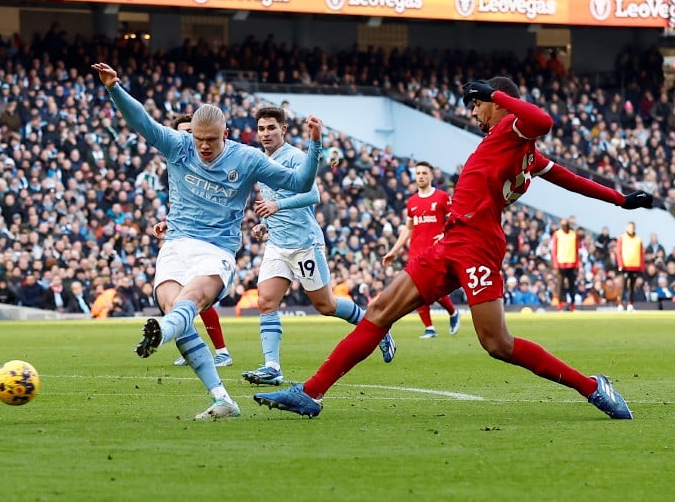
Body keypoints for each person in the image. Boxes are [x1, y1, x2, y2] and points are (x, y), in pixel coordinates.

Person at [254, 76, 653, 420]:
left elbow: (543, 121)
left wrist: (495, 95)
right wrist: (620, 199)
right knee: (379, 311)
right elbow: (571, 179)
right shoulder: (516, 146)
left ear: (498, 104)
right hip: (451, 241)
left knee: (497, 344)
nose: (474, 113)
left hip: (478, 246)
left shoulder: (515, 130)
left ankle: (592, 386)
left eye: (478, 105)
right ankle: (311, 392)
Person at [92, 61, 322, 420]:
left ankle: (162, 332)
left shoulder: (247, 158)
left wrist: (315, 146)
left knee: (190, 299)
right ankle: (222, 398)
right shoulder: (179, 145)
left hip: (216, 250)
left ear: (225, 133)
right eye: (198, 139)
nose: (203, 146)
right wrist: (114, 88)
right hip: (175, 244)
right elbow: (142, 123)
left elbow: (301, 183)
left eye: (211, 140)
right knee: (173, 307)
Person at [242, 106, 395, 387]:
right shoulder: (261, 161)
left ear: (283, 130)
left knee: (326, 305)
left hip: (304, 244)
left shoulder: (295, 157)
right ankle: (272, 367)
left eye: (271, 128)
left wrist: (277, 206)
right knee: (266, 301)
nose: (265, 133)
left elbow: (313, 195)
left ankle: (378, 328)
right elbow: (274, 201)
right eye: (261, 129)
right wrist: (266, 223)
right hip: (277, 244)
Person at [153, 114, 234, 369]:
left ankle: (221, 351)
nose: (187, 138)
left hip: (212, 241)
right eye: (182, 133)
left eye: (191, 132)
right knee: (179, 298)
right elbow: (185, 204)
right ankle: (195, 349)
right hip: (182, 238)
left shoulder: (214, 161)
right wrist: (168, 221)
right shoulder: (179, 159)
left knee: (197, 295)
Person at [382, 161, 460, 337]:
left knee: (433, 289)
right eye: (418, 173)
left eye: (424, 173)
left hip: (435, 252)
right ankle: (429, 327)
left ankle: (453, 312)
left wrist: (445, 234)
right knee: (416, 290)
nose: (421, 176)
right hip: (415, 253)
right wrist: (394, 251)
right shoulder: (412, 202)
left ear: (431, 175)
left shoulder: (441, 197)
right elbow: (408, 228)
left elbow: (453, 219)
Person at [551, 218, 580, 311]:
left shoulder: (574, 235)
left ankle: (572, 304)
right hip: (561, 263)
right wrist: (555, 264)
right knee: (560, 285)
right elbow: (554, 250)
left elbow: (577, 250)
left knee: (572, 285)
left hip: (571, 263)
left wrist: (577, 264)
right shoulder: (557, 234)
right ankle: (560, 304)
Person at [616, 221, 644, 311]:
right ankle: (620, 304)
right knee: (623, 285)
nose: (631, 229)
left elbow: (641, 253)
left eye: (633, 227)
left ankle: (630, 304)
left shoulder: (638, 239)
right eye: (630, 227)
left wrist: (641, 266)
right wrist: (620, 264)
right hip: (625, 265)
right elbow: (618, 251)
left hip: (635, 265)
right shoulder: (622, 238)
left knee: (632, 286)